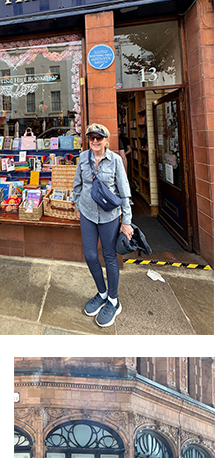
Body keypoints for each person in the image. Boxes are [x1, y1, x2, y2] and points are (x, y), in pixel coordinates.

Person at [74, 123, 133, 328]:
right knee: (90, 255)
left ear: (106, 140)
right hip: (88, 214)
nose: (95, 141)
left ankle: (114, 302)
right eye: (92, 138)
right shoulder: (83, 158)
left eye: (99, 138)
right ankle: (102, 293)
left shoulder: (115, 160)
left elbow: (124, 192)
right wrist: (78, 205)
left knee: (109, 257)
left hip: (109, 216)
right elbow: (77, 186)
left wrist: (126, 221)